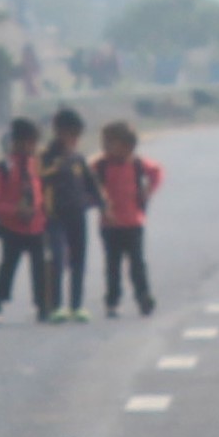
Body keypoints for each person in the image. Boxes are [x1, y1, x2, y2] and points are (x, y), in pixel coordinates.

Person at [0, 116, 53, 324]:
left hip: (36, 226)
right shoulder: (2, 169)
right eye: (30, 142)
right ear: (18, 141)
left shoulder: (35, 165)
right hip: (13, 228)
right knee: (7, 268)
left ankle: (43, 307)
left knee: (40, 268)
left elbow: (41, 192)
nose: (32, 147)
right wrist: (14, 210)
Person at [93, 118, 162, 316]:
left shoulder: (138, 164)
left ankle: (143, 297)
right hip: (110, 224)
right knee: (112, 265)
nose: (105, 146)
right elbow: (88, 184)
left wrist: (148, 190)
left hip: (134, 222)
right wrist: (100, 203)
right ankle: (112, 301)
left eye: (109, 142)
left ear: (127, 145)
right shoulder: (100, 166)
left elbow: (157, 172)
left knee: (137, 264)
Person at [40, 107, 96, 324]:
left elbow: (91, 183)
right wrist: (58, 164)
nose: (73, 140)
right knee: (57, 259)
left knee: (78, 260)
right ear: (58, 132)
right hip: (54, 216)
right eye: (70, 134)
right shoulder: (45, 157)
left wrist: (102, 204)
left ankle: (77, 305)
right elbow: (39, 177)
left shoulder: (78, 158)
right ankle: (56, 306)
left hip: (78, 214)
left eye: (76, 136)